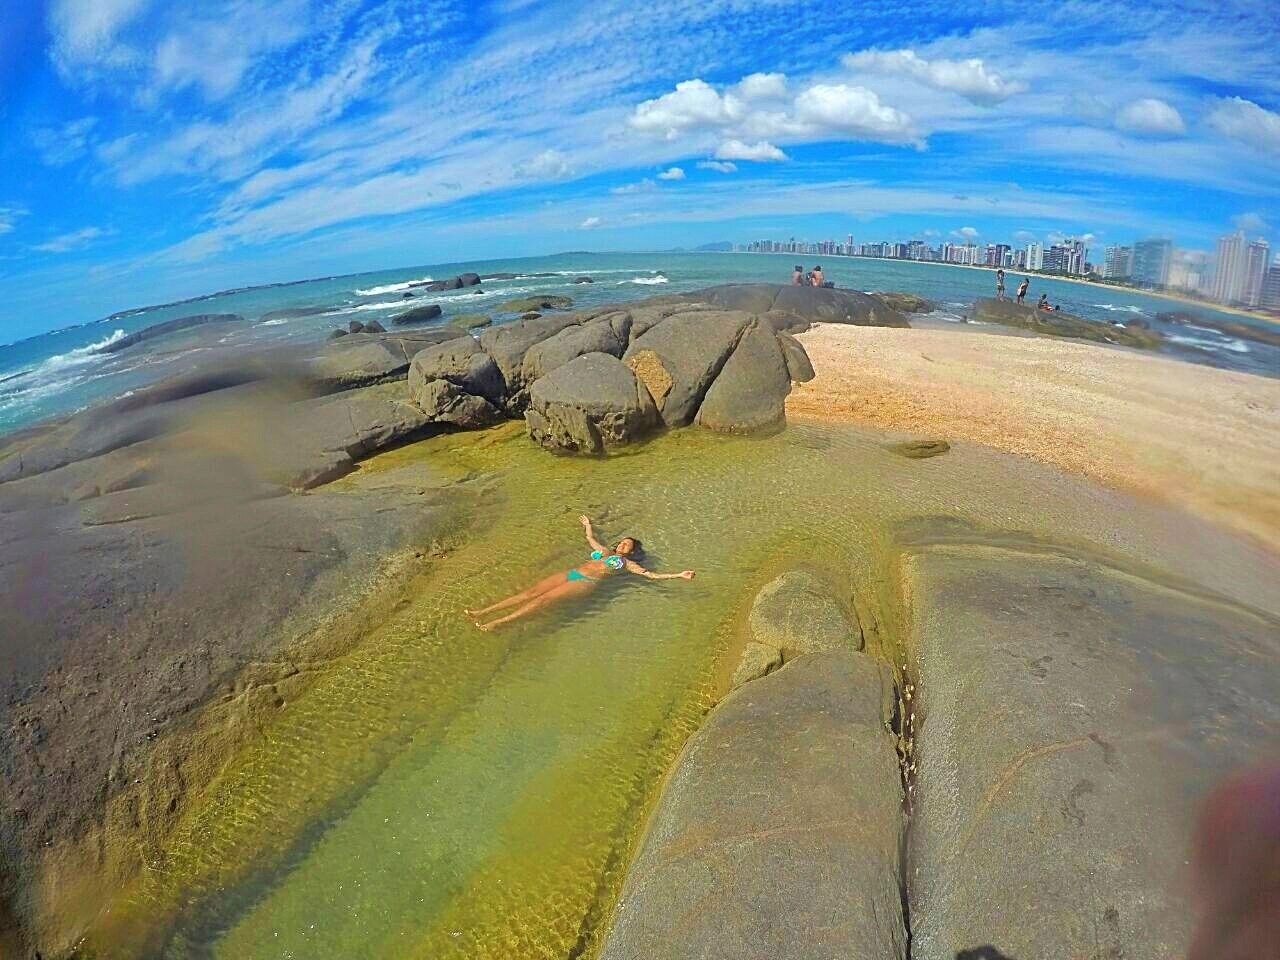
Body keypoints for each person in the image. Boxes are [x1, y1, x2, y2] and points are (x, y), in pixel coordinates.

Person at [466, 515, 695, 630]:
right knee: (531, 592)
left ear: (632, 552)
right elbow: (590, 539)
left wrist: (677, 575)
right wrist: (587, 524)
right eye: (623, 543)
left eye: (628, 546)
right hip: (573, 573)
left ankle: (497, 623)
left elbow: (650, 575)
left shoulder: (624, 564)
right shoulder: (605, 551)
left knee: (543, 600)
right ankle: (482, 612)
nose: (623, 546)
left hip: (585, 581)